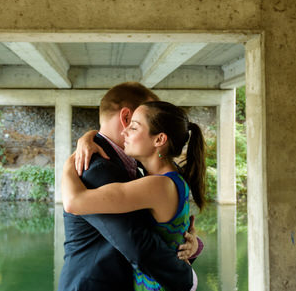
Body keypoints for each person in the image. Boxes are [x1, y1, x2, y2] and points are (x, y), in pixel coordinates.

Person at [57, 83, 199, 291]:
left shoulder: (145, 170)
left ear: (160, 139)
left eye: (135, 126)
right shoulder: (96, 168)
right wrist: (188, 279)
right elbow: (138, 244)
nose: (128, 131)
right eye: (131, 124)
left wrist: (194, 246)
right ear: (125, 118)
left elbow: (155, 230)